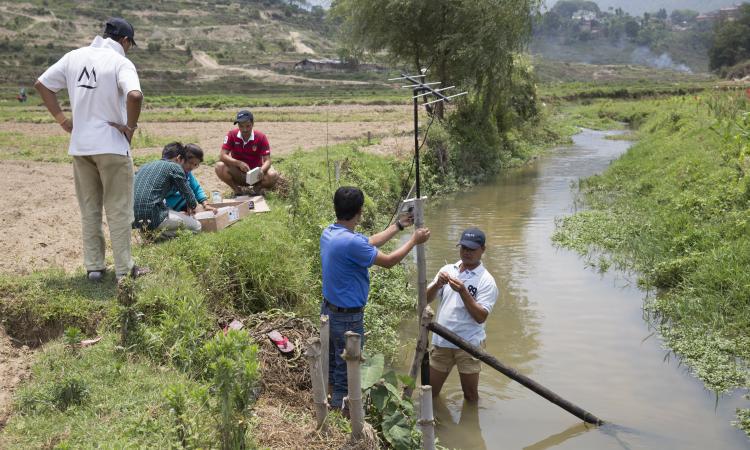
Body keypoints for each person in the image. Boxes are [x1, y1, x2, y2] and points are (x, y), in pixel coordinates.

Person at [34, 17, 147, 282]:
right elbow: (134, 95)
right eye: (130, 45)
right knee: (118, 208)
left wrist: (63, 120)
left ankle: (95, 268)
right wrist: (130, 127)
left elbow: (42, 84)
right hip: (112, 146)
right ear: (125, 40)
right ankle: (124, 269)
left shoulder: (74, 57)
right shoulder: (121, 62)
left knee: (90, 207)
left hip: (81, 146)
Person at [320, 186, 431, 411]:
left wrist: (399, 226)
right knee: (346, 373)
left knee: (332, 365)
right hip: (348, 319)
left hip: (328, 312)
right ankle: (342, 419)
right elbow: (389, 261)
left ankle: (330, 409)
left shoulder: (330, 233)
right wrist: (414, 241)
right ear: (359, 211)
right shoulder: (352, 243)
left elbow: (368, 242)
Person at [426, 227, 498, 402]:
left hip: (469, 344)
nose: (467, 253)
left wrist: (463, 291)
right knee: (430, 392)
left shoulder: (486, 281)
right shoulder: (448, 270)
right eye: (464, 248)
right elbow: (424, 300)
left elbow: (481, 316)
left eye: (472, 249)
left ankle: (472, 426)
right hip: (442, 341)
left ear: (483, 250)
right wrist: (437, 285)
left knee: (471, 395)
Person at [132, 143, 202, 239]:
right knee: (197, 226)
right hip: (154, 216)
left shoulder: (144, 167)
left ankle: (148, 233)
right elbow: (190, 197)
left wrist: (174, 213)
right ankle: (155, 236)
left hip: (134, 218)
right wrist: (192, 207)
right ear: (179, 158)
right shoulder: (174, 167)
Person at [215, 110, 279, 196]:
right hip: (239, 174)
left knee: (272, 175)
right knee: (219, 166)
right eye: (241, 126)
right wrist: (239, 163)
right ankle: (238, 190)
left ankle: (257, 189)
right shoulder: (232, 135)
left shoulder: (261, 137)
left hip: (256, 175)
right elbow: (222, 155)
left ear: (253, 124)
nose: (244, 129)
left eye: (248, 126)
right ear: (238, 125)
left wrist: (261, 170)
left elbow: (268, 160)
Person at [162, 143, 217, 214]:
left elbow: (196, 188)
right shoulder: (168, 174)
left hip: (184, 205)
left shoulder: (187, 173)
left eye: (195, 165)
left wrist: (205, 204)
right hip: (168, 208)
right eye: (190, 163)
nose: (192, 167)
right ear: (181, 159)